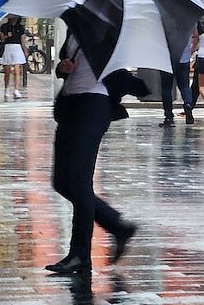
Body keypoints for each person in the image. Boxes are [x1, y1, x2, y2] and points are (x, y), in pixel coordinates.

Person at [45, 27, 142, 275]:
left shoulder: (108, 29)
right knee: (61, 182)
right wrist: (62, 68)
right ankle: (117, 225)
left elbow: (117, 69)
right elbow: (64, 66)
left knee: (79, 183)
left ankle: (80, 254)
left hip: (94, 106)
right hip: (70, 104)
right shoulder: (74, 25)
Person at [158, 27, 197, 127]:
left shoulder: (165, 18)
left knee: (166, 88)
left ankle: (169, 116)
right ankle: (188, 104)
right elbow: (196, 36)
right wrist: (190, 51)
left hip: (166, 58)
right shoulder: (189, 16)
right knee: (185, 86)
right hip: (184, 57)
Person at [0, 16, 27, 99]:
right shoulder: (4, 26)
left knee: (17, 70)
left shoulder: (20, 27)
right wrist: (7, 35)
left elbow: (22, 40)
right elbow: (1, 38)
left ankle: (16, 90)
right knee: (7, 71)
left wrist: (24, 49)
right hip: (8, 47)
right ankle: (6, 88)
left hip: (17, 48)